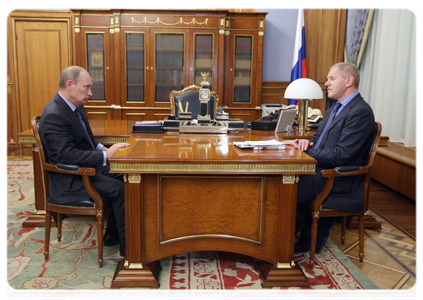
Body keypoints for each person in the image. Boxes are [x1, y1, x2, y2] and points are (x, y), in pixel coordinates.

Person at [39, 66, 130, 257]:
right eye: (86, 87)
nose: (90, 93)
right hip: (70, 179)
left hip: (85, 169)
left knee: (127, 175)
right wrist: (106, 156)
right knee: (121, 189)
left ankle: (112, 236)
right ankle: (129, 249)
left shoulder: (75, 106)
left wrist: (103, 149)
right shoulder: (55, 114)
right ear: (70, 85)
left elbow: (86, 140)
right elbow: (67, 156)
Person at [288, 62, 375, 253]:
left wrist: (306, 153)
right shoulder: (335, 108)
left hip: (339, 178)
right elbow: (318, 139)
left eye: (331, 79)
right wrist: (306, 143)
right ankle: (282, 236)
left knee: (286, 191)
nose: (326, 83)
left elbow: (341, 155)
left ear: (349, 81)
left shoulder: (360, 112)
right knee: (284, 182)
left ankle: (279, 241)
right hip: (321, 170)